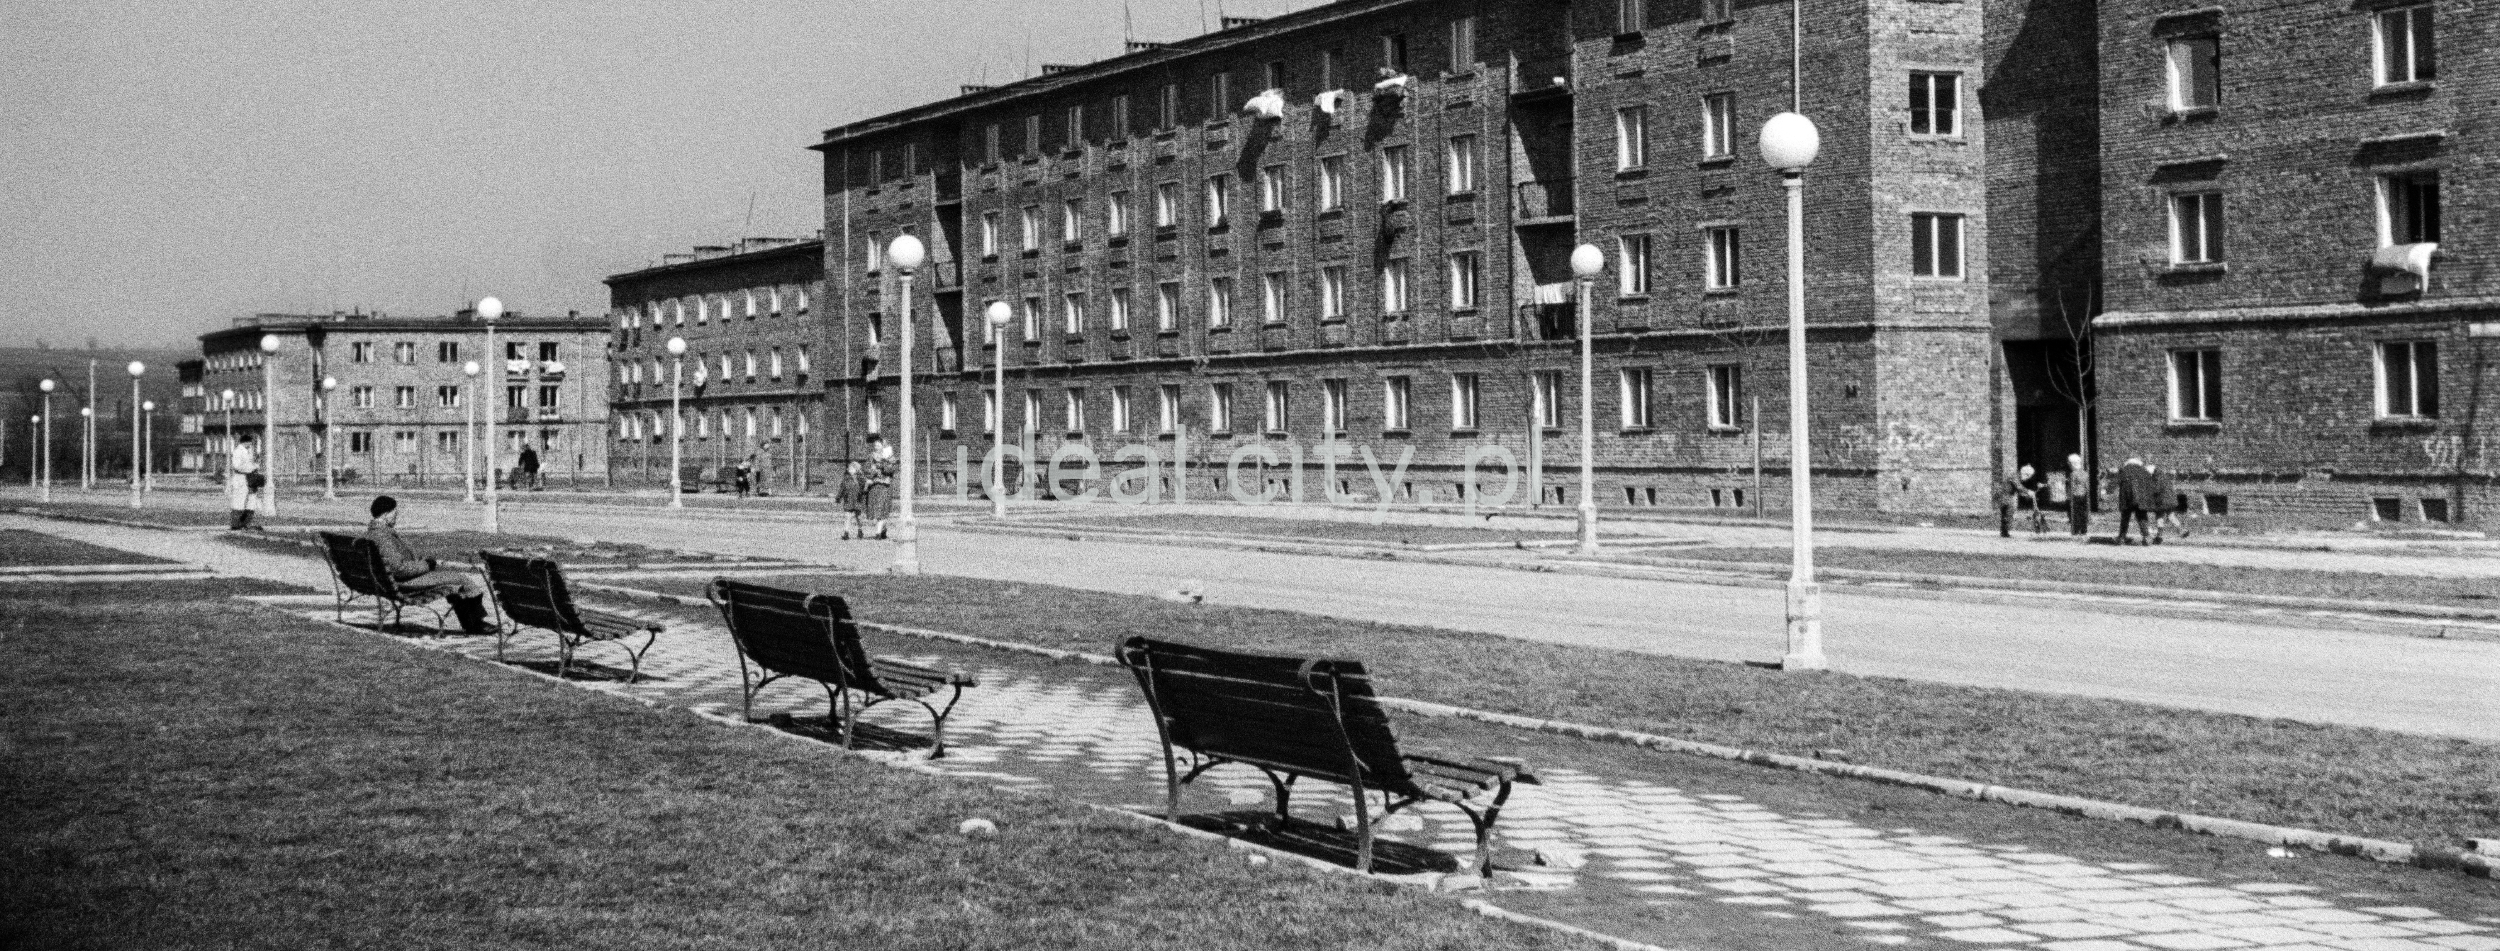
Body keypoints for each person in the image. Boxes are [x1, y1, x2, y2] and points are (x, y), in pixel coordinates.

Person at [362, 495, 494, 635]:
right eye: (395, 513)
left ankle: (473, 623)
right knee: (460, 579)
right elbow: (399, 569)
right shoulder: (383, 537)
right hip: (403, 584)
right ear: (386, 514)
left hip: (387, 582)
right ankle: (475, 624)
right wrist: (426, 565)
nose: (396, 516)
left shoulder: (373, 534)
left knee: (453, 580)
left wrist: (424, 562)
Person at [2114, 456, 2157, 545]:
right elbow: (2150, 483)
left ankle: (2121, 538)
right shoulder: (2144, 470)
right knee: (2142, 517)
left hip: (2127, 498)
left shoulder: (2124, 470)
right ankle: (2146, 537)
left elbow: (2116, 481)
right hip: (2141, 499)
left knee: (2125, 518)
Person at [226, 432, 264, 531]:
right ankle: (236, 524)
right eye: (250, 443)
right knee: (239, 501)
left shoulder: (248, 451)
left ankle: (246, 523)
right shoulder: (238, 451)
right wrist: (251, 468)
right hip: (241, 479)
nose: (251, 445)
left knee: (251, 502)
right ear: (246, 442)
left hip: (249, 479)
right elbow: (237, 466)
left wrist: (254, 466)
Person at [862, 435, 897, 540]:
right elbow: (866, 469)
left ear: (883, 446)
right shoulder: (871, 456)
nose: (876, 446)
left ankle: (877, 533)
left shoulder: (889, 457)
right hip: (874, 485)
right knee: (875, 510)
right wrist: (871, 472)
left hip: (885, 486)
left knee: (882, 509)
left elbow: (892, 470)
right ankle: (883, 529)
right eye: (875, 445)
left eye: (878, 445)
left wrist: (883, 465)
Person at [2000, 464, 2040, 538]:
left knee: (2007, 514)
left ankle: (2004, 532)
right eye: (2028, 476)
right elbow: (2018, 486)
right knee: (2009, 512)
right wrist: (2028, 492)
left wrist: (2026, 495)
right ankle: (2004, 532)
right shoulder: (2015, 476)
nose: (2027, 479)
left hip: (2007, 495)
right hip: (2006, 496)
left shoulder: (2016, 476)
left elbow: (2017, 489)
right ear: (2025, 474)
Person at [2151, 462, 2188, 541]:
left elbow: (2156, 490)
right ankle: (2181, 530)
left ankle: (2159, 536)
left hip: (2162, 502)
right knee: (2171, 516)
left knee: (2159, 516)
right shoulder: (2166, 478)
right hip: (2172, 501)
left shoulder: (2156, 478)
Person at [836, 461, 867, 540]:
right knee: (847, 516)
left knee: (858, 517)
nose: (849, 469)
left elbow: (865, 488)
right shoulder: (845, 479)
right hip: (848, 500)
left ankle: (860, 530)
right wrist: (838, 497)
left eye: (851, 468)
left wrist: (863, 494)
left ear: (856, 469)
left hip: (857, 500)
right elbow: (842, 489)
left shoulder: (861, 478)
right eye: (849, 468)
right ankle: (846, 533)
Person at [2063, 453, 2092, 537]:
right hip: (2084, 495)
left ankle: (2075, 531)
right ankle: (2083, 531)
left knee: (2074, 514)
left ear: (2072, 464)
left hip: (2075, 496)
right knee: (2083, 513)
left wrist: (2068, 497)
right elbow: (2087, 486)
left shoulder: (2073, 474)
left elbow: (2072, 487)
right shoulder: (2085, 473)